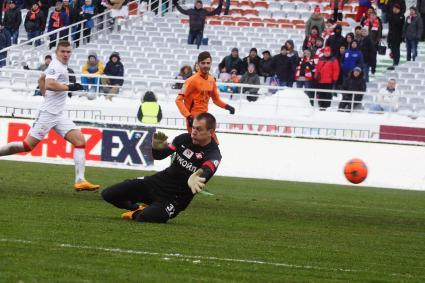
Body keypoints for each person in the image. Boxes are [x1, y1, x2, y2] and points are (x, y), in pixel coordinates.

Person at [0, 41, 99, 191]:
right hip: (47, 114)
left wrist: (47, 96)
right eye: (63, 52)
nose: (66, 54)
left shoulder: (57, 65)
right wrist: (69, 87)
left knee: (79, 141)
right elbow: (49, 84)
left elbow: (41, 79)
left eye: (68, 52)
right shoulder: (56, 66)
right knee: (27, 146)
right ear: (57, 52)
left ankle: (80, 180)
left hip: (58, 114)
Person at [101, 112, 222, 223]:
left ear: (211, 132)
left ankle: (138, 213)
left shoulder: (214, 154)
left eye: (199, 129)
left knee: (144, 218)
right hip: (155, 183)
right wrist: (156, 147)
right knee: (108, 194)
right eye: (193, 127)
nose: (194, 132)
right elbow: (159, 156)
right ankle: (137, 208)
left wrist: (198, 174)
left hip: (174, 199)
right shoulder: (183, 139)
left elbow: (208, 168)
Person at [175, 51, 235, 135]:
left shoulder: (211, 80)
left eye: (208, 63)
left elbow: (216, 99)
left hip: (205, 118)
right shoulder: (190, 81)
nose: (206, 65)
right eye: (203, 63)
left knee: (213, 144)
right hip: (194, 120)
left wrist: (227, 107)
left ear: (211, 64)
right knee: (199, 144)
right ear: (198, 64)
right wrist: (188, 116)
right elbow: (178, 100)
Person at [387, 4, 405, 70]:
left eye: (395, 8)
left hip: (398, 36)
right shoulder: (391, 15)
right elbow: (390, 26)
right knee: (392, 49)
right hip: (391, 35)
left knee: (396, 49)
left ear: (398, 9)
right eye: (393, 8)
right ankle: (394, 62)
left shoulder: (401, 15)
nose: (394, 9)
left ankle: (396, 63)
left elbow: (398, 22)